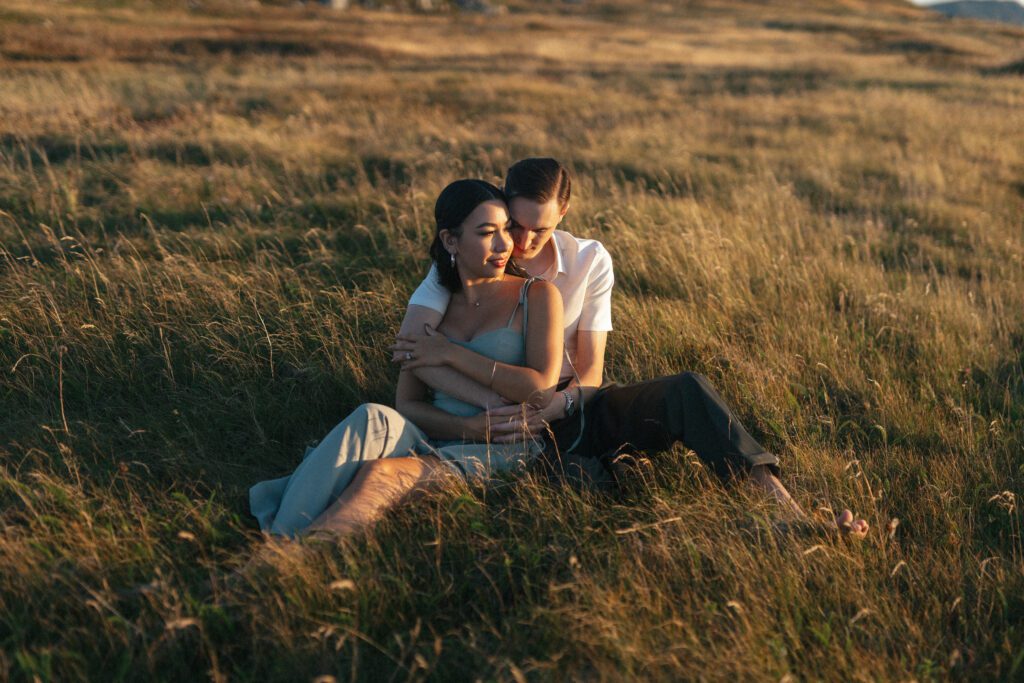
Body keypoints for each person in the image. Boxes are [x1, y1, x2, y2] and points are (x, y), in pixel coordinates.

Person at [394, 158, 868, 537]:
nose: (521, 242)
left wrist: (556, 404)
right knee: (579, 483)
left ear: (562, 216)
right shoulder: (471, 261)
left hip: (571, 400)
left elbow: (591, 371)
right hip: (507, 414)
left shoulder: (589, 261)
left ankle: (784, 509)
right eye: (514, 224)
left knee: (687, 390)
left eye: (539, 228)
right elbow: (413, 349)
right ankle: (592, 474)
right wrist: (497, 407)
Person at [249, 179, 563, 538]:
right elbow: (408, 404)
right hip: (438, 433)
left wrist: (449, 353)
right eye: (486, 232)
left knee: (378, 473)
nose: (504, 244)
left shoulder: (537, 295)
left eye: (506, 229)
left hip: (505, 447)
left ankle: (288, 549)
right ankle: (281, 540)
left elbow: (540, 391)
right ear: (450, 241)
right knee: (372, 416)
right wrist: (470, 427)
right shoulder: (435, 308)